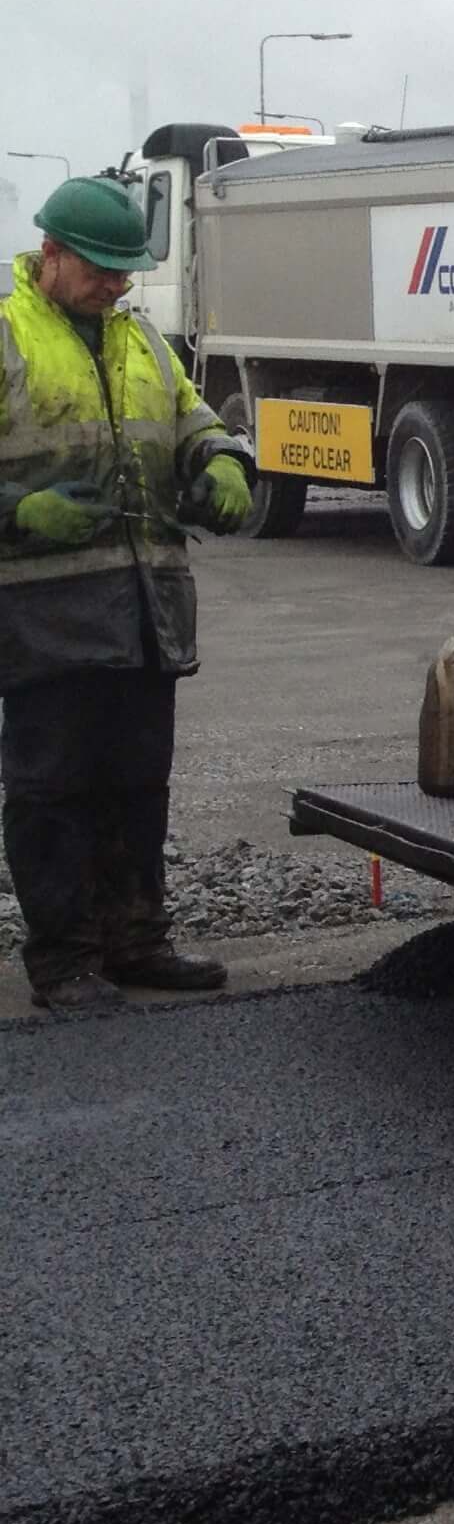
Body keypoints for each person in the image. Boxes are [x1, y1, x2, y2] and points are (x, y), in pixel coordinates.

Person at [0, 179, 250, 1011]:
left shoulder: (139, 338)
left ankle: (136, 941)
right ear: (52, 256)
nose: (118, 285)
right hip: (47, 620)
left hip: (144, 613)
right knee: (53, 793)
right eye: (103, 270)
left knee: (139, 784)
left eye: (125, 272)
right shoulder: (5, 338)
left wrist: (220, 461)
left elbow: (190, 419)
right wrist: (17, 511)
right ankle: (64, 960)